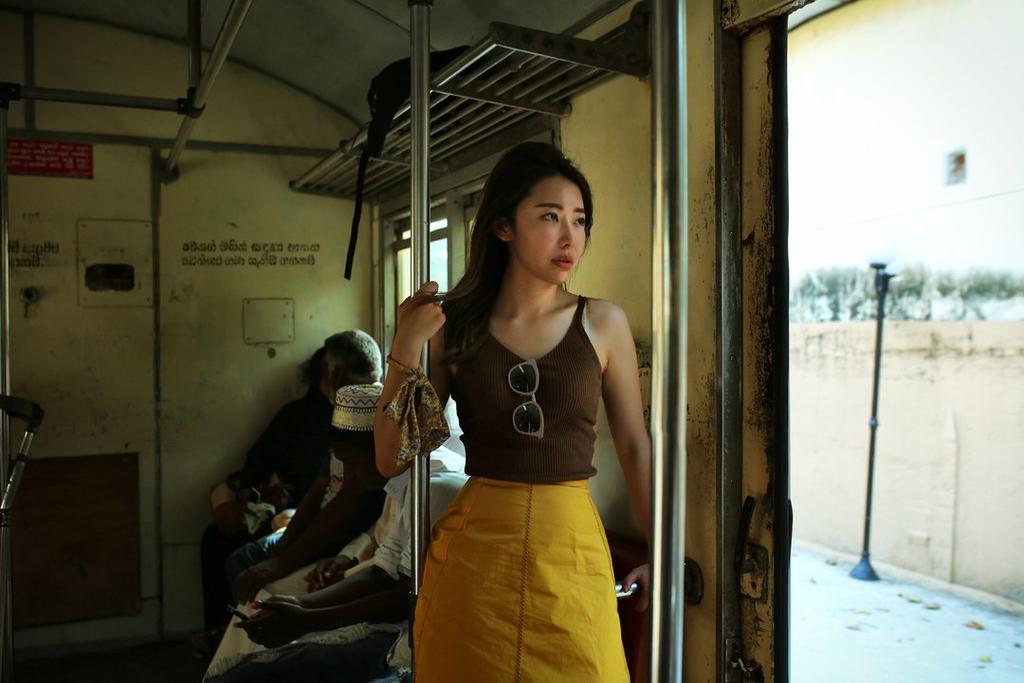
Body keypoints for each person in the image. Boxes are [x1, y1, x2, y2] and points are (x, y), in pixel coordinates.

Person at [374, 141, 651, 681]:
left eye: (580, 220)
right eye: (550, 217)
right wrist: (404, 350)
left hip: (570, 551)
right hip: (475, 561)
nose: (571, 236)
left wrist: (663, 550)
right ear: (503, 226)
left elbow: (635, 445)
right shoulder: (451, 327)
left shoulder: (604, 323)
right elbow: (391, 460)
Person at [204, 447, 468, 683]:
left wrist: (307, 618)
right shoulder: (400, 479)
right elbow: (384, 566)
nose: (349, 477)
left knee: (254, 671)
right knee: (259, 615)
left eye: (352, 464)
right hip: (375, 591)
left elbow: (402, 598)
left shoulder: (433, 486)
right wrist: (302, 607)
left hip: (404, 632)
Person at [229, 331, 388, 605]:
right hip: (322, 525)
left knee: (245, 567)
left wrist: (281, 562)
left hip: (338, 535)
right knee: (247, 556)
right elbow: (320, 486)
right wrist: (281, 547)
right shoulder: (338, 406)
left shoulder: (364, 411)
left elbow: (349, 502)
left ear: (333, 371)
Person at [198, 344, 337, 648]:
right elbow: (257, 461)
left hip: (308, 513)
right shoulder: (296, 415)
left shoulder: (347, 418)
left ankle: (233, 637)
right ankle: (224, 631)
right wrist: (258, 493)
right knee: (216, 539)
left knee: (234, 552)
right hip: (280, 506)